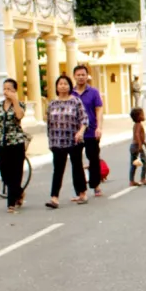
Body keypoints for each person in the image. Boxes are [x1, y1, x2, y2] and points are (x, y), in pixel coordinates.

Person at [45, 73, 87, 209]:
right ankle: (54, 197)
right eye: (60, 84)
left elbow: (84, 119)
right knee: (58, 169)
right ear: (57, 87)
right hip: (57, 141)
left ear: (70, 86)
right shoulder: (52, 104)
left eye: (65, 84)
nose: (63, 86)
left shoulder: (75, 101)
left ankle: (82, 193)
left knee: (77, 166)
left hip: (74, 140)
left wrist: (80, 132)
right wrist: (50, 142)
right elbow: (49, 124)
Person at [0, 78, 27, 214]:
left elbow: (19, 116)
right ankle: (19, 192)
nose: (6, 91)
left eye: (9, 89)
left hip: (16, 142)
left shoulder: (20, 104)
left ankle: (11, 204)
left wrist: (14, 100)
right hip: (2, 143)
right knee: (4, 172)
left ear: (15, 90)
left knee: (16, 173)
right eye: (4, 89)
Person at [73, 65, 105, 196]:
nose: (81, 77)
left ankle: (95, 184)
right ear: (74, 76)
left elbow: (99, 109)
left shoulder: (93, 92)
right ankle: (81, 190)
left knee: (93, 158)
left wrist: (99, 127)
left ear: (87, 76)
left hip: (91, 131)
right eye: (78, 75)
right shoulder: (71, 93)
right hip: (75, 132)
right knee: (76, 161)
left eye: (83, 75)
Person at [129, 106, 146, 186]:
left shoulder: (136, 125)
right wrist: (140, 147)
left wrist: (145, 144)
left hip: (133, 146)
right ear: (138, 117)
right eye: (142, 115)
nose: (144, 116)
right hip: (136, 146)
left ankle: (131, 181)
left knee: (134, 164)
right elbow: (138, 135)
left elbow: (140, 137)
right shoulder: (138, 125)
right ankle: (143, 178)